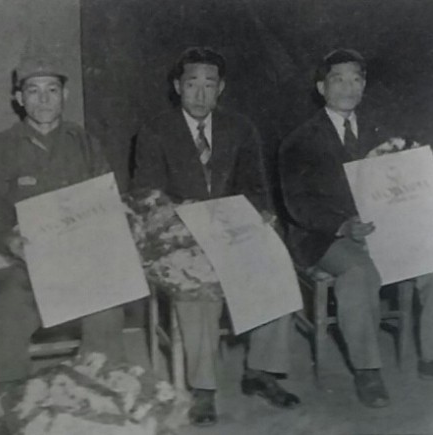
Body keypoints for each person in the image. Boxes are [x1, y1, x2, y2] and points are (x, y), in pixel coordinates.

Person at [133, 47, 299, 427]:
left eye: (210, 84)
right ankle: (204, 389)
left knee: (275, 267)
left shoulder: (240, 128)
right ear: (178, 86)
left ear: (221, 88)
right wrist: (185, 213)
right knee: (198, 285)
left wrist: (260, 213)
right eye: (192, 84)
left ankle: (261, 372)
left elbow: (255, 186)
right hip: (177, 236)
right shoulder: (155, 131)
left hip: (229, 230)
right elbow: (146, 195)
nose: (201, 94)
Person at [279, 48, 433, 408]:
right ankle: (368, 371)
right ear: (322, 87)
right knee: (358, 271)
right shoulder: (299, 141)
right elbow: (297, 205)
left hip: (384, 231)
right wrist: (342, 226)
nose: (348, 88)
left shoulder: (382, 131)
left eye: (356, 79)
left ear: (364, 85)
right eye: (338, 79)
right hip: (325, 237)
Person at [0, 53, 125, 390]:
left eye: (52, 90)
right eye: (33, 91)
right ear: (19, 98)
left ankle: (97, 395)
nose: (43, 99)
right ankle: (8, 401)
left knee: (107, 309)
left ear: (65, 95)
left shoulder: (87, 144)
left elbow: (107, 205)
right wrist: (9, 243)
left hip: (81, 263)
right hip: (24, 267)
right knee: (7, 311)